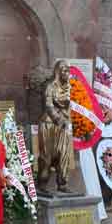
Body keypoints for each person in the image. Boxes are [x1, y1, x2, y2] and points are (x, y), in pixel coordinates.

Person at [37, 60, 75, 193]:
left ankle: (62, 183)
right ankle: (42, 183)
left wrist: (68, 122)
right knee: (47, 155)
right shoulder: (50, 86)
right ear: (58, 72)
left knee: (64, 153)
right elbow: (48, 105)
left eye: (68, 71)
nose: (67, 73)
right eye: (64, 71)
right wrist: (58, 118)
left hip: (63, 125)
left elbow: (69, 107)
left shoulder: (69, 88)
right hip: (49, 124)